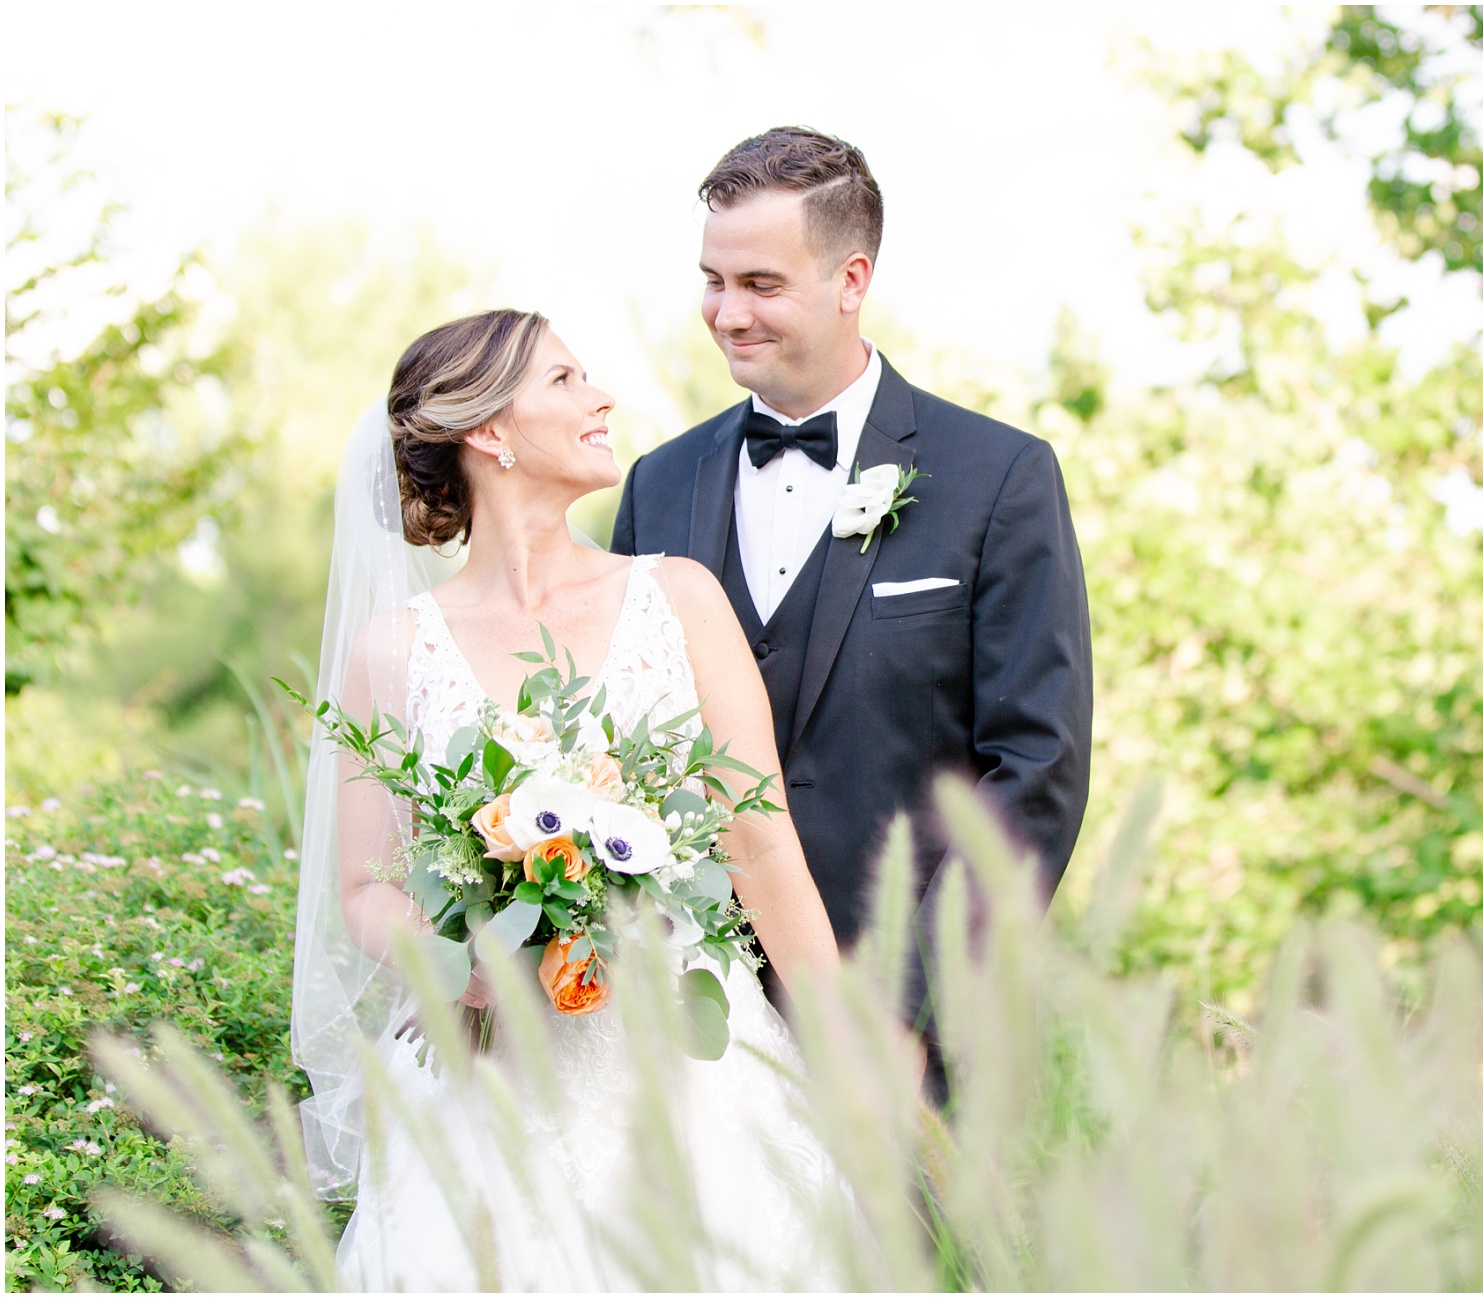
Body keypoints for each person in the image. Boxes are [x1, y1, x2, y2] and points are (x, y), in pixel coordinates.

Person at [292, 309, 847, 1289]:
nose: (601, 397)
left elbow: (761, 845)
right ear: (489, 432)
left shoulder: (678, 600)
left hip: (689, 1069)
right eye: (564, 379)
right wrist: (458, 965)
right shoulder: (390, 653)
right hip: (484, 1083)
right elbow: (366, 889)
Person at [611, 129, 1093, 1087]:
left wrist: (912, 1005)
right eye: (713, 280)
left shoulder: (997, 477)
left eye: (761, 284)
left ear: (851, 278)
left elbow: (1035, 768)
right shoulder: (657, 484)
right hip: (679, 1024)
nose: (726, 314)